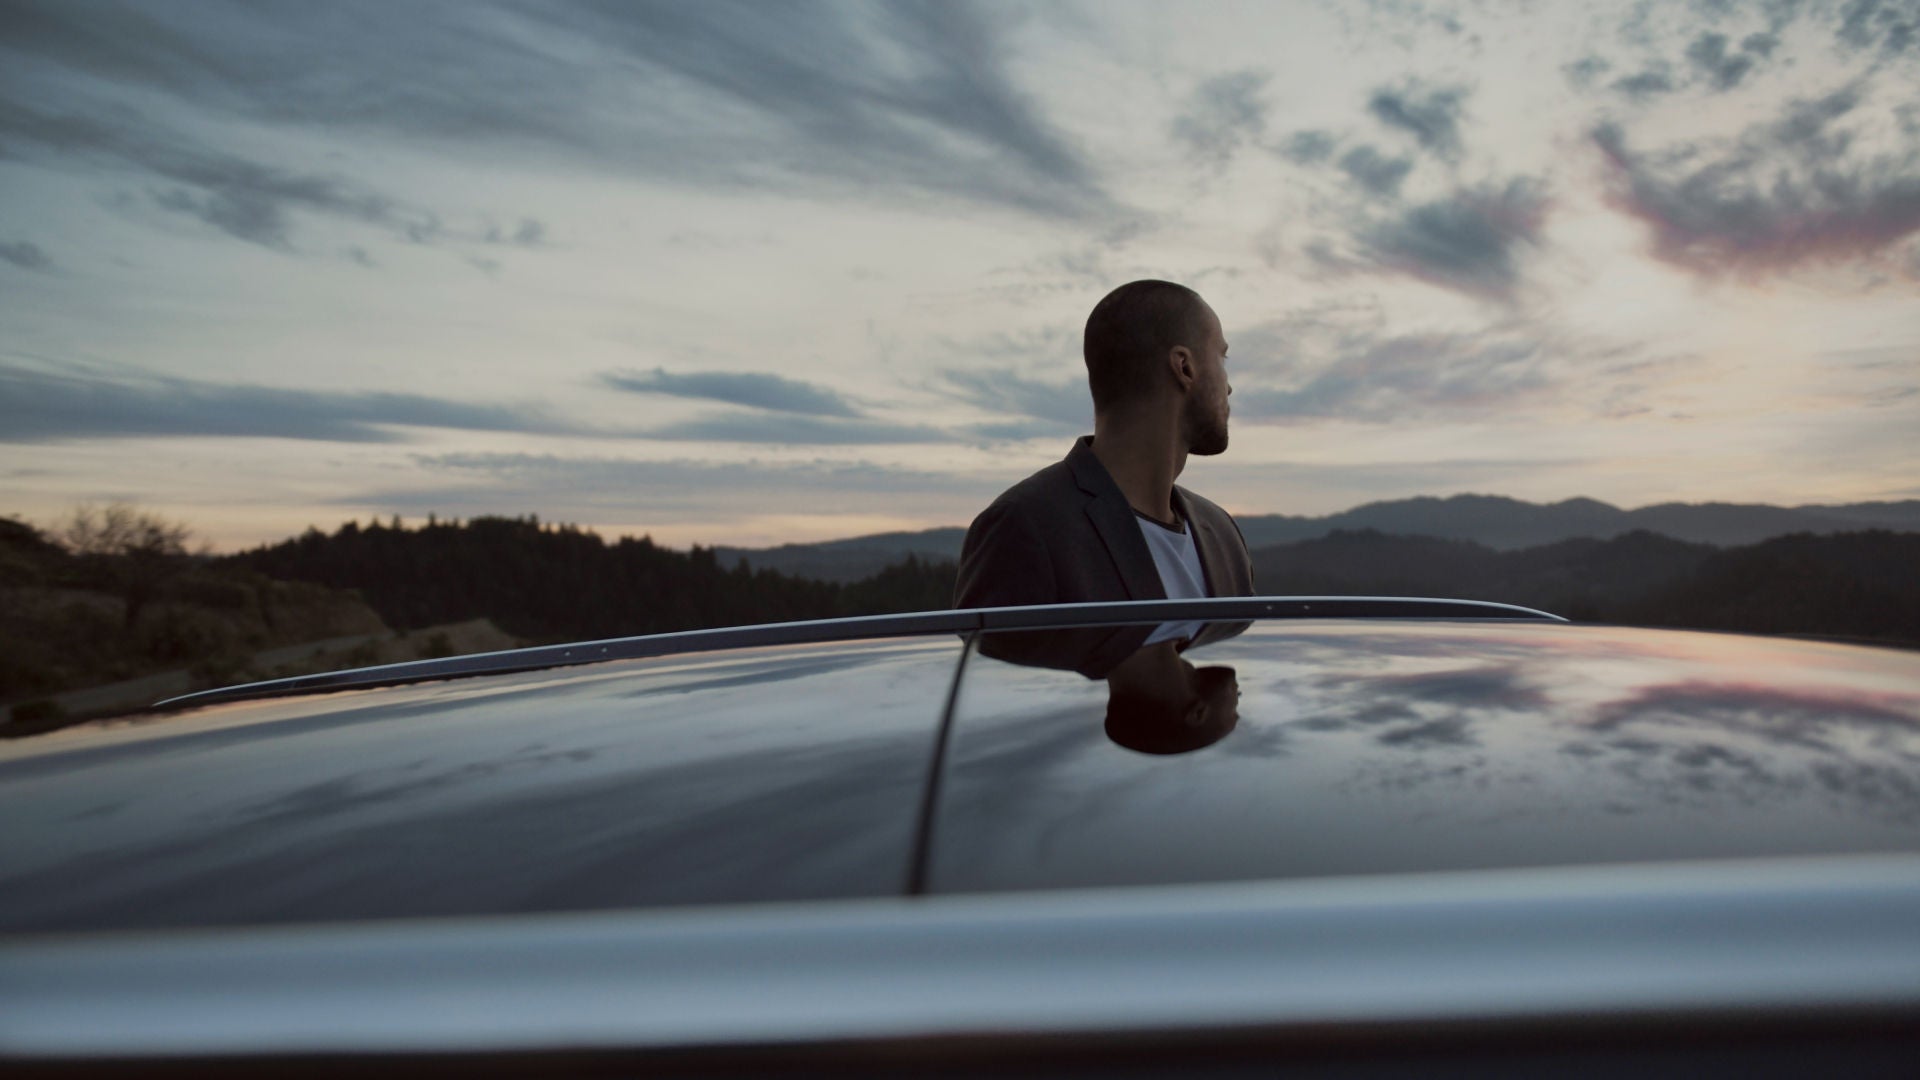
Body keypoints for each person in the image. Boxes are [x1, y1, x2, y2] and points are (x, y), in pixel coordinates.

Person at [954, 279, 1254, 609]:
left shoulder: (1222, 534)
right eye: (1221, 358)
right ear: (1185, 367)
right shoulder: (1023, 527)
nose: (1229, 388)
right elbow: (990, 661)